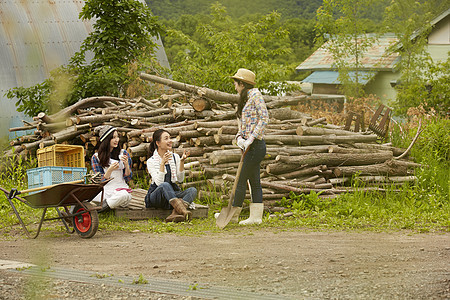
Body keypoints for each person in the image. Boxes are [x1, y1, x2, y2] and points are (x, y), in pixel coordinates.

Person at [229, 68, 269, 225]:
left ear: (242, 84)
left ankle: (232, 215)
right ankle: (256, 217)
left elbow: (264, 118)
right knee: (254, 181)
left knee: (240, 180)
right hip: (248, 146)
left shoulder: (255, 95)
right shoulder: (244, 98)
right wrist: (239, 138)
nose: (235, 87)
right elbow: (243, 124)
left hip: (256, 146)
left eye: (236, 83)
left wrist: (251, 138)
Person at [145, 129, 197, 222]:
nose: (170, 141)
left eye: (170, 138)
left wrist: (181, 162)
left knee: (192, 190)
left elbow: (180, 180)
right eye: (166, 138)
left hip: (171, 195)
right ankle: (183, 211)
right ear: (158, 143)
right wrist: (162, 164)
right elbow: (159, 183)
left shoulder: (175, 157)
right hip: (157, 197)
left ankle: (175, 214)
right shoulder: (151, 161)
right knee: (165, 185)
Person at [91, 125, 132, 210]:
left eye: (117, 137)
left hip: (120, 190)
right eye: (113, 137)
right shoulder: (96, 157)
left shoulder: (123, 153)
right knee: (86, 195)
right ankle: (109, 204)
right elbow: (99, 181)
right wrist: (109, 170)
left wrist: (126, 165)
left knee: (125, 195)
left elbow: (128, 178)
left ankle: (101, 209)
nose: (117, 140)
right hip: (105, 191)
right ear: (106, 140)